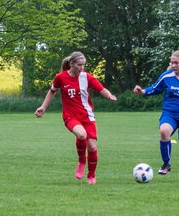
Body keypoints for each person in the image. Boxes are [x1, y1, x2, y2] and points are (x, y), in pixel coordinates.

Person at [35, 51, 117, 184]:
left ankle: (91, 175)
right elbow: (52, 91)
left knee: (92, 147)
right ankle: (81, 161)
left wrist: (109, 95)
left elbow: (101, 89)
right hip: (70, 116)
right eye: (79, 65)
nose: (82, 68)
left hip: (88, 116)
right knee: (81, 135)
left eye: (84, 65)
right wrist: (43, 107)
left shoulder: (87, 77)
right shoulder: (60, 77)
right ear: (72, 64)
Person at [133, 49, 179, 181]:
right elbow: (155, 88)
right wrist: (142, 92)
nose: (173, 65)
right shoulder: (167, 76)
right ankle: (166, 164)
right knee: (164, 131)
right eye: (171, 62)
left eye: (176, 62)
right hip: (169, 113)